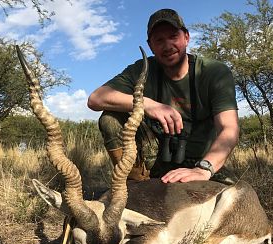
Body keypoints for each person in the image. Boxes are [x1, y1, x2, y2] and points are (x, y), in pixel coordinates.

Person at [88, 8, 239, 184]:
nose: (167, 46)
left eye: (173, 36)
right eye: (159, 40)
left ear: (186, 38)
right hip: (157, 161)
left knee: (235, 197)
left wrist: (204, 169)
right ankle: (134, 184)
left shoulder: (214, 72)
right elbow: (95, 98)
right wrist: (148, 104)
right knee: (109, 119)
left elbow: (229, 129)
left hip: (202, 162)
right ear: (150, 46)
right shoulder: (142, 69)